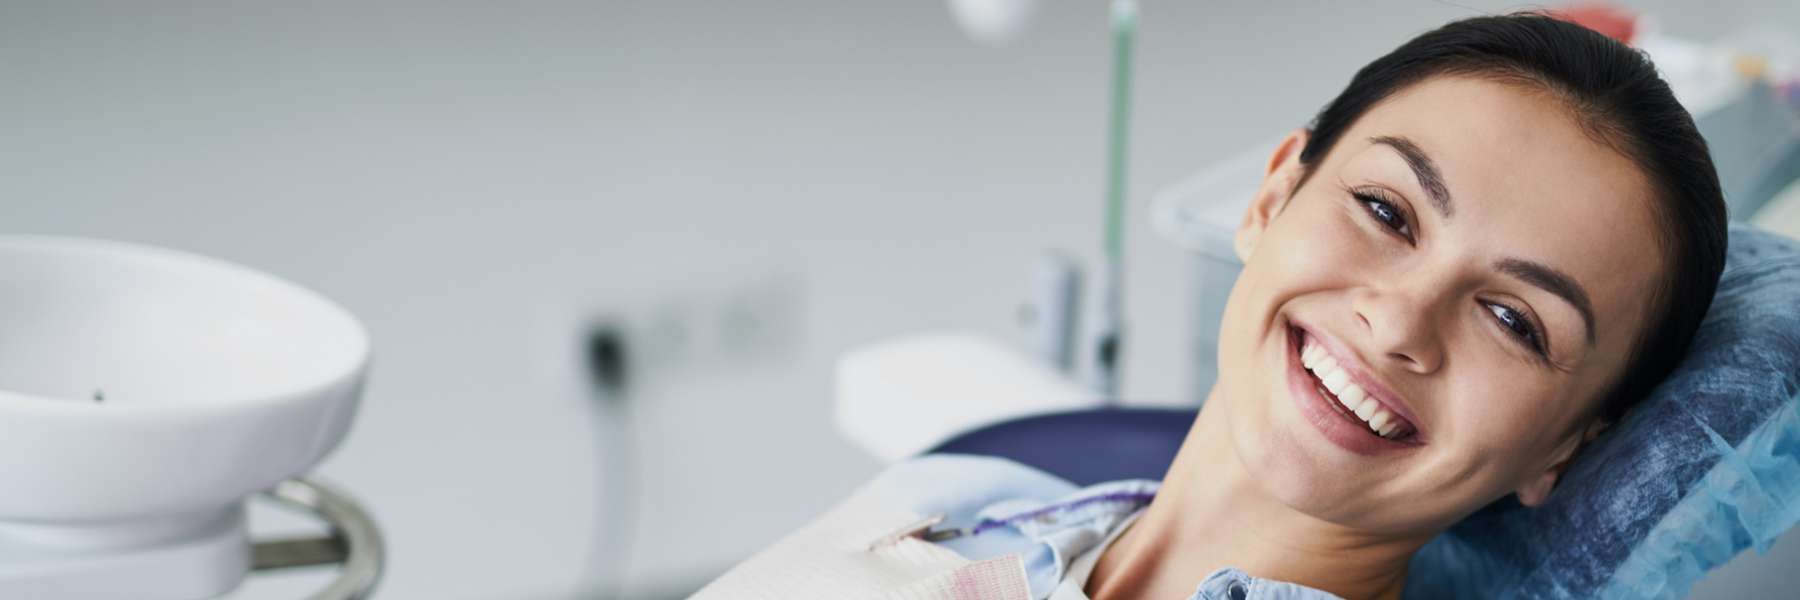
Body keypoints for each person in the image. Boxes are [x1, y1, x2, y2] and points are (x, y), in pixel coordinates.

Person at [700, 12, 1728, 600]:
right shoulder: (967, 495)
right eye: (1386, 210)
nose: (1400, 323)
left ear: (1570, 448)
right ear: (1272, 197)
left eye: (1514, 320)